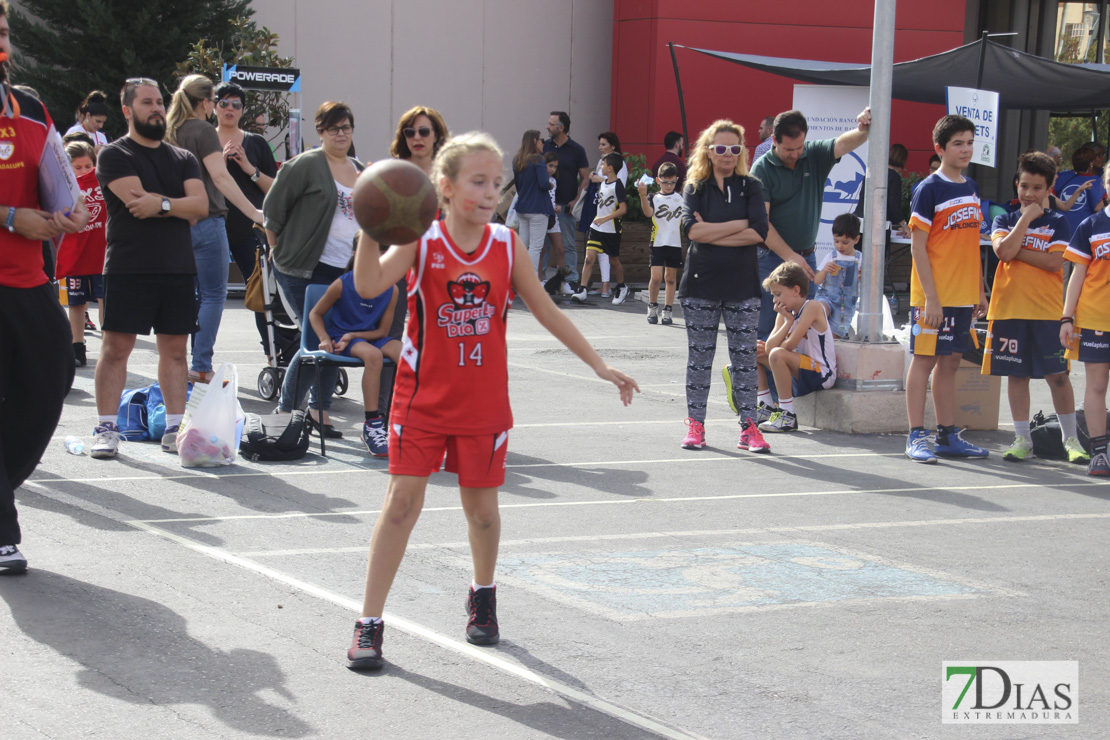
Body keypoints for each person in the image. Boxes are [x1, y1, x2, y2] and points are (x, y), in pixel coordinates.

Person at [345, 131, 638, 670]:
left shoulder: (506, 245)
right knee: (401, 506)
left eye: (495, 183)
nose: (488, 192)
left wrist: (600, 365)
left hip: (483, 404)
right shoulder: (420, 239)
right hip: (420, 400)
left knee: (482, 514)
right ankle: (369, 623)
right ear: (446, 188)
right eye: (477, 182)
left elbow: (547, 310)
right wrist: (371, 226)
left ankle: (482, 593)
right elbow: (367, 286)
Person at [0, 0, 90, 572]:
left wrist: (70, 211)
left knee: (51, 381)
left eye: (3, 29)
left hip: (27, 281)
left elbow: (61, 188)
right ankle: (2, 525)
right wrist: (10, 217)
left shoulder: (28, 106)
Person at [89, 78, 208, 459]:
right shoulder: (113, 155)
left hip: (177, 268)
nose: (156, 108)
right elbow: (138, 202)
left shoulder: (183, 158)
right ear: (127, 110)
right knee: (116, 349)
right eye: (146, 103)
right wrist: (176, 206)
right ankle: (106, 428)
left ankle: (176, 429)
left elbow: (201, 207)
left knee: (176, 353)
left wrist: (165, 206)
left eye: (159, 102)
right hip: (129, 267)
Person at [264, 102, 364, 438]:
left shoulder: (360, 169)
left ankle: (318, 409)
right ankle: (286, 411)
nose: (340, 134)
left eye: (346, 127)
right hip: (303, 269)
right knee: (313, 339)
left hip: (345, 272)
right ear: (320, 131)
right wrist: (278, 251)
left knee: (333, 339)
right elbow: (273, 210)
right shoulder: (306, 165)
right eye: (333, 128)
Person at [984, 152, 1086, 465]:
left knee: (1058, 376)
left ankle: (1071, 439)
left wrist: (1017, 251)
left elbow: (1054, 261)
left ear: (1049, 189)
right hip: (1009, 310)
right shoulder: (1004, 219)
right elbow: (1002, 252)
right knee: (1017, 376)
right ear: (1017, 184)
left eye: (1037, 188)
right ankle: (1022, 439)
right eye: (1024, 186)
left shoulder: (1058, 222)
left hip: (1047, 314)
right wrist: (1026, 219)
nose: (1029, 193)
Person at [165, 74, 263, 384]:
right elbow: (221, 178)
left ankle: (178, 363)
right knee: (212, 295)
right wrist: (255, 213)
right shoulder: (203, 131)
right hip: (207, 221)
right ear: (206, 103)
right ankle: (201, 364)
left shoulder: (170, 131)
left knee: (185, 296)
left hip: (176, 223)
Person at [678, 119, 770, 453]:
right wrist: (738, 225)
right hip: (701, 285)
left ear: (742, 152)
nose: (727, 155)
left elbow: (759, 232)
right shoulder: (695, 188)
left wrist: (713, 229)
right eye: (720, 149)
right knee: (699, 359)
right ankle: (696, 426)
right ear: (709, 151)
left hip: (743, 285)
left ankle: (750, 429)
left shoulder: (751, 187)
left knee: (745, 359)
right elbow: (692, 231)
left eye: (734, 148)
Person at [903, 115, 989, 464]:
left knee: (951, 361)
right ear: (939, 148)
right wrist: (932, 299)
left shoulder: (971, 187)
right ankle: (915, 436)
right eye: (958, 143)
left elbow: (971, 245)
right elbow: (916, 248)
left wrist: (980, 291)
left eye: (969, 142)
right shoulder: (929, 188)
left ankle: (947, 435)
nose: (966, 149)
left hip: (962, 295)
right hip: (932, 297)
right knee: (924, 361)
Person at [750, 107, 871, 340]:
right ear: (774, 140)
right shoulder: (762, 168)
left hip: (806, 256)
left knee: (807, 329)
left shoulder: (814, 154)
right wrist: (790, 256)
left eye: (799, 147)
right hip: (770, 259)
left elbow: (846, 143)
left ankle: (797, 377)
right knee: (767, 329)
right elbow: (761, 223)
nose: (795, 154)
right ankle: (762, 377)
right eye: (788, 149)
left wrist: (863, 128)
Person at [305, 245, 401, 458]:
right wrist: (323, 339)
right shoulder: (342, 283)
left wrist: (355, 335)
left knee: (408, 356)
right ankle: (372, 425)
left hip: (369, 337)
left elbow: (383, 331)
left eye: (385, 254)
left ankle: (409, 421)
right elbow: (315, 314)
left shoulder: (392, 289)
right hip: (342, 337)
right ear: (358, 254)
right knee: (373, 356)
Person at [213, 81, 278, 354]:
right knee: (208, 296)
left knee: (262, 290)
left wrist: (250, 169)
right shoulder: (203, 140)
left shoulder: (256, 143)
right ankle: (199, 363)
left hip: (249, 227)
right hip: (211, 225)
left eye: (236, 105)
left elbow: (275, 188)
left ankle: (273, 352)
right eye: (224, 103)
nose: (229, 109)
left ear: (243, 110)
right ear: (213, 106)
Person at [1061, 165, 1110, 476]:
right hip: (1095, 318)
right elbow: (1076, 275)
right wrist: (1067, 317)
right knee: (1096, 386)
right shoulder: (1091, 225)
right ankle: (1099, 452)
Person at [756, 262, 836, 433]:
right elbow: (769, 348)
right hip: (800, 368)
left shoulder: (812, 307)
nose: (775, 300)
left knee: (778, 354)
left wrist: (789, 322)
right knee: (755, 351)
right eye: (773, 295)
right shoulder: (786, 313)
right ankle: (766, 407)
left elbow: (787, 346)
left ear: (796, 290)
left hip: (821, 372)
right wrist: (787, 321)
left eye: (778, 294)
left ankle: (787, 415)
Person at [56, 141, 107, 367]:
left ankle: (109, 348)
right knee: (76, 304)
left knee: (105, 300)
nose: (84, 172)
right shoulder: (62, 187)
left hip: (102, 255)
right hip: (76, 255)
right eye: (78, 168)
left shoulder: (103, 180)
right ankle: (77, 348)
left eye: (88, 166)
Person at [571, 152, 628, 304]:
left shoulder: (618, 186)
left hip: (612, 230)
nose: (600, 166)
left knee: (614, 261)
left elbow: (623, 209)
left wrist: (605, 218)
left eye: (603, 164)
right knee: (589, 258)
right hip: (597, 228)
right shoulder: (603, 183)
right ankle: (582, 289)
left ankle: (622, 287)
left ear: (610, 168)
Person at [543, 111, 590, 289]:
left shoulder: (577, 150)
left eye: (550, 124)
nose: (547, 126)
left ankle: (570, 280)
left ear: (561, 128)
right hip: (544, 207)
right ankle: (541, 280)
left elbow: (585, 176)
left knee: (568, 244)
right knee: (543, 245)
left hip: (566, 205)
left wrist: (576, 200)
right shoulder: (545, 147)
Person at [637, 161, 683, 324]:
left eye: (672, 182)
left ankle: (668, 309)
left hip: (675, 244)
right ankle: (652, 306)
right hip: (657, 243)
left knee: (670, 278)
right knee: (656, 277)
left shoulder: (680, 198)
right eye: (665, 182)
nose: (669, 185)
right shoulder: (654, 197)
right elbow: (648, 213)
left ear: (676, 180)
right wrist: (643, 195)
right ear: (658, 180)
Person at [813, 213, 862, 338]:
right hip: (827, 297)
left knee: (835, 336)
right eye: (836, 241)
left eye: (845, 242)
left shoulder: (860, 258)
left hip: (846, 305)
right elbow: (816, 280)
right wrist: (824, 270)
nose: (839, 245)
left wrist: (862, 277)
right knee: (819, 310)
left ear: (856, 239)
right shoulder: (831, 256)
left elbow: (867, 284)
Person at [511, 129, 553, 274]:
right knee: (535, 246)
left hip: (523, 207)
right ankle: (532, 281)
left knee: (523, 244)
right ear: (534, 141)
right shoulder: (538, 160)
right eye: (541, 140)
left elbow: (518, 184)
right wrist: (550, 184)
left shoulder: (517, 159)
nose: (544, 143)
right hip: (538, 207)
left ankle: (517, 277)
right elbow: (543, 183)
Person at [1053, 147, 1106, 238]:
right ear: (1091, 163)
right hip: (1081, 232)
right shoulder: (1096, 181)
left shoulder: (1059, 177)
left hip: (1059, 228)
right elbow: (1098, 208)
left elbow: (1049, 199)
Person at [389, 105, 449, 176]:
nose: (417, 137)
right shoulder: (392, 170)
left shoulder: (448, 171)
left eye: (423, 131)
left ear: (436, 135)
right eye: (410, 132)